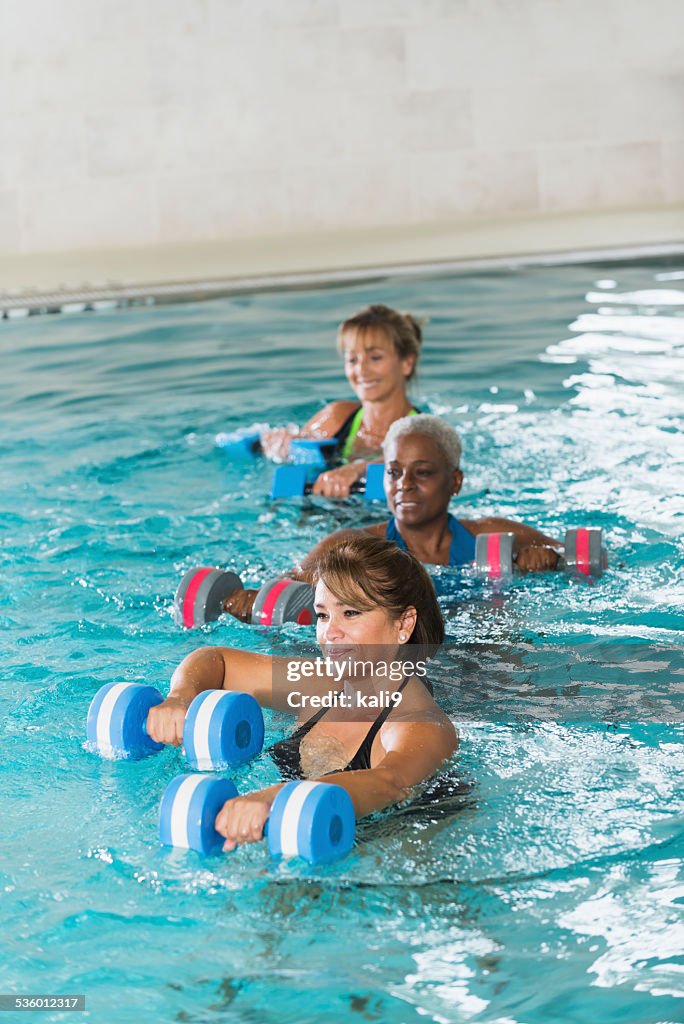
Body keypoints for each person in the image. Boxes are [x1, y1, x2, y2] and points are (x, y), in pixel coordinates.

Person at [149, 537, 457, 852]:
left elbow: (390, 783)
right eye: (323, 615)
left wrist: (272, 797)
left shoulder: (420, 723)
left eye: (350, 613)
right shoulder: (320, 685)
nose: (330, 633)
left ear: (404, 624)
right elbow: (218, 661)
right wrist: (181, 697)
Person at [223, 415, 561, 622]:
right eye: (394, 472)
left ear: (455, 482)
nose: (405, 485)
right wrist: (251, 599)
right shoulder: (351, 546)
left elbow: (596, 560)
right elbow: (294, 583)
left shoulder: (494, 535)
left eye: (422, 472)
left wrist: (551, 561)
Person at [260, 304, 423, 498]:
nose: (361, 371)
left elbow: (420, 458)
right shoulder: (336, 418)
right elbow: (297, 449)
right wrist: (280, 445)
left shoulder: (422, 431)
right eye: (352, 360)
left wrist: (358, 469)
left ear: (407, 363)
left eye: (375, 358)